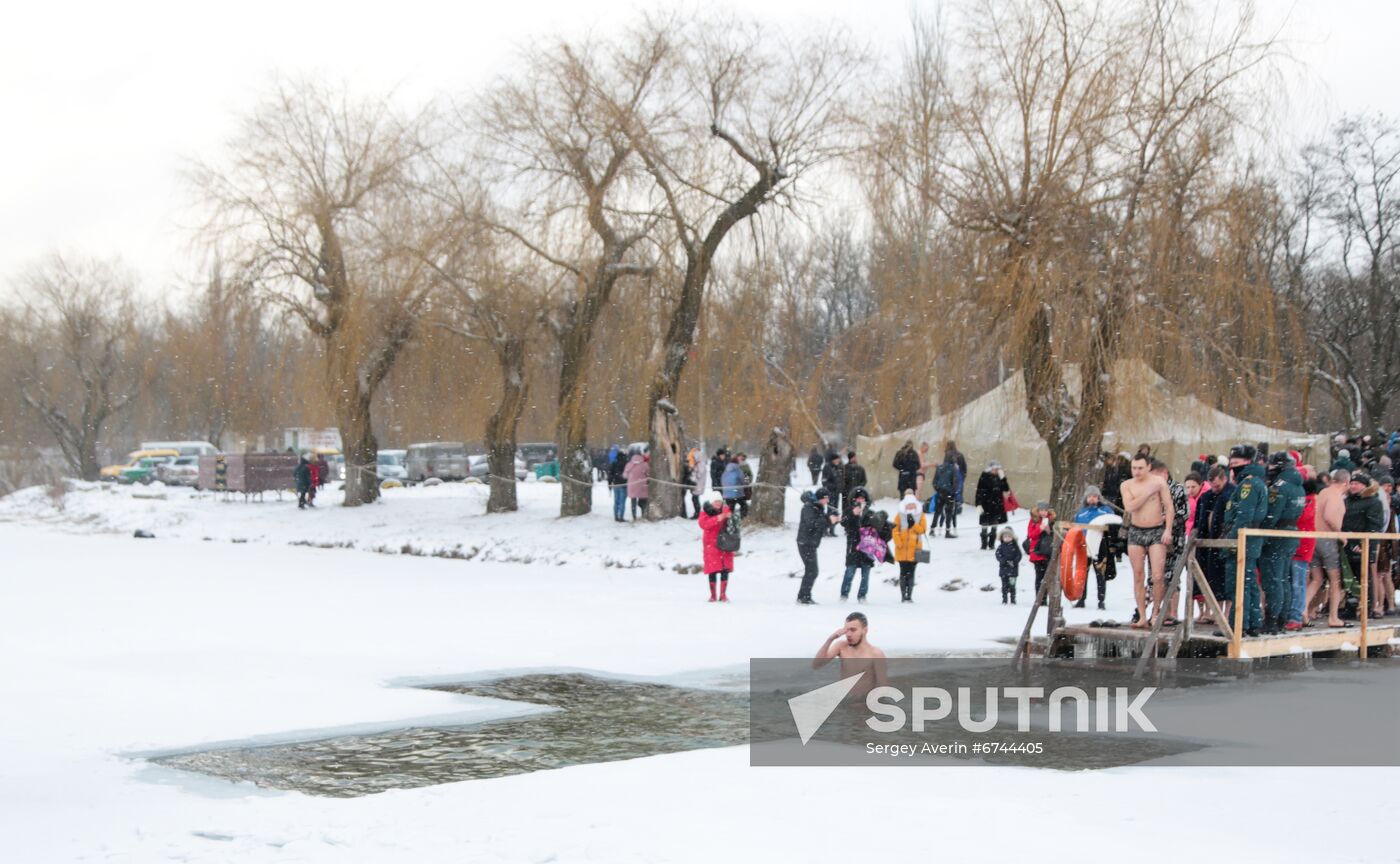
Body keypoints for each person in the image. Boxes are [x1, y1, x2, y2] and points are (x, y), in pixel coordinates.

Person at [1220, 444, 1269, 638]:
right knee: (1248, 583)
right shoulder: (1256, 481)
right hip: (1250, 539)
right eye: (1231, 464)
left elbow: (1244, 516)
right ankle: (1251, 623)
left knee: (1238, 583)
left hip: (1243, 540)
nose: (1233, 467)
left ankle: (1238, 624)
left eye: (1236, 463)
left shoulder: (1248, 484)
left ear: (1248, 462)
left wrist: (1231, 540)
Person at [1121, 454, 1174, 628]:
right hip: (1136, 530)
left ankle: (1156, 612)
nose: (1136, 472)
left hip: (1156, 529)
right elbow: (1129, 507)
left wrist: (1168, 529)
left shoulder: (1159, 482)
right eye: (1134, 468)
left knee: (1158, 576)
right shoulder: (1127, 485)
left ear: (1148, 467)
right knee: (1138, 575)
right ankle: (1142, 615)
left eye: (1140, 468)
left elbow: (1169, 507)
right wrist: (1147, 494)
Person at [1258, 451, 1305, 634]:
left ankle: (1272, 620)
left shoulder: (1279, 486)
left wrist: (1263, 533)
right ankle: (1281, 618)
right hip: (1291, 534)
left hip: (1277, 535)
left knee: (1273, 579)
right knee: (1284, 578)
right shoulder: (1298, 486)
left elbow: (1272, 515)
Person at [812, 612, 888, 699]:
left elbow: (883, 686)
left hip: (863, 702)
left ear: (865, 630)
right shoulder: (841, 646)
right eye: (846, 630)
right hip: (844, 700)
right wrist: (830, 640)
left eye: (853, 630)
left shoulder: (876, 654)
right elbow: (816, 665)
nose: (848, 634)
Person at [1308, 468, 1349, 627]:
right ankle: (1333, 617)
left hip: (1314, 538)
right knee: (1335, 580)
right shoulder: (1335, 495)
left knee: (1316, 579)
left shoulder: (1323, 492)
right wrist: (1340, 534)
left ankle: (1302, 611)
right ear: (1345, 483)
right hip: (1327, 539)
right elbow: (1330, 516)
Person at [1342, 471, 1385, 615]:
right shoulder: (1348, 500)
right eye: (1352, 483)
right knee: (1350, 577)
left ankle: (1368, 607)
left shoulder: (1373, 502)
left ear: (1364, 486)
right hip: (1347, 543)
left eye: (1357, 484)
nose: (1353, 486)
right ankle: (1352, 605)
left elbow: (1374, 525)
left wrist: (1364, 543)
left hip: (1363, 544)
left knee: (1365, 577)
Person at [1074, 486, 1116, 610]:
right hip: (1083, 545)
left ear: (1098, 498)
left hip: (1100, 544)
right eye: (1090, 496)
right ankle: (1081, 599)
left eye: (1095, 496)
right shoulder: (1081, 512)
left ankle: (1101, 600)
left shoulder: (1106, 511)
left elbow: (1114, 525)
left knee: (1100, 573)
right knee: (1082, 573)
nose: (1092, 499)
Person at [796, 487, 841, 604]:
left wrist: (833, 519)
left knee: (811, 570)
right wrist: (828, 520)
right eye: (826, 498)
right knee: (812, 571)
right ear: (821, 498)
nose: (828, 501)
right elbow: (812, 523)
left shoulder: (817, 507)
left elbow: (821, 524)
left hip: (810, 543)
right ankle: (803, 597)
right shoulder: (809, 507)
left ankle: (804, 595)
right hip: (805, 543)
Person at [840, 488, 885, 603]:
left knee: (866, 573)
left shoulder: (870, 512)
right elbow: (843, 523)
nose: (860, 500)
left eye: (863, 498)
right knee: (850, 571)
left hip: (867, 547)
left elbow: (877, 528)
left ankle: (862, 596)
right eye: (858, 498)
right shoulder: (848, 510)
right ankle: (844, 595)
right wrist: (852, 514)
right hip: (853, 546)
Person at [1289, 476, 1319, 631]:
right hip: (1296, 544)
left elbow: (1301, 517)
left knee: (1298, 583)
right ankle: (1295, 614)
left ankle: (1296, 616)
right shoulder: (1307, 499)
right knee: (1295, 582)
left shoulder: (1309, 500)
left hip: (1302, 546)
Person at [697, 490, 735, 602]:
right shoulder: (705, 512)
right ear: (711, 502)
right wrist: (718, 518)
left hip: (725, 544)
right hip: (711, 545)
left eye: (719, 501)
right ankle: (713, 595)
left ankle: (723, 595)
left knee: (725, 569)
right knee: (712, 570)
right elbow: (704, 524)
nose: (718, 503)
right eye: (715, 502)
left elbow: (733, 524)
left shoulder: (726, 510)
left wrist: (730, 517)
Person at [890, 492, 927, 602]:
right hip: (902, 550)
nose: (910, 506)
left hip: (915, 550)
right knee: (903, 573)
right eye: (908, 504)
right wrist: (899, 542)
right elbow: (895, 530)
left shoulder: (921, 515)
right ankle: (903, 596)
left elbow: (923, 530)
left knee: (911, 573)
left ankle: (909, 595)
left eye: (912, 504)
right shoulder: (899, 515)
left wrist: (914, 525)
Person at [974, 461, 1011, 550]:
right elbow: (979, 491)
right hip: (985, 504)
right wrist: (978, 504)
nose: (996, 470)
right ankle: (983, 544)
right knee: (984, 525)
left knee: (994, 525)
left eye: (997, 469)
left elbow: (1005, 489)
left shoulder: (1000, 477)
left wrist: (1003, 478)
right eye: (994, 469)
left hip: (997, 504)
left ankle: (991, 544)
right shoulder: (984, 476)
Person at [931, 453, 962, 539]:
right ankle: (947, 531)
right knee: (949, 513)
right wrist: (953, 492)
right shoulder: (953, 469)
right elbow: (955, 482)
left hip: (940, 492)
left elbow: (934, 481)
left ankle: (932, 529)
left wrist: (938, 489)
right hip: (949, 494)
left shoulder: (939, 467)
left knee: (937, 512)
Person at [996, 526, 1022, 605]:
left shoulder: (1015, 547)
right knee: (1004, 585)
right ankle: (1004, 599)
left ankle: (1013, 599)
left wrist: (1014, 562)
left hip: (1013, 570)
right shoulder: (1001, 547)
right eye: (1005, 537)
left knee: (1012, 585)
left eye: (1009, 536)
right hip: (1003, 570)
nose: (1007, 538)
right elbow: (998, 555)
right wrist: (1003, 561)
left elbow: (1019, 555)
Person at [821, 452, 845, 534]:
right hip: (830, 493)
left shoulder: (839, 467)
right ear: (832, 460)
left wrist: (841, 487)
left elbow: (841, 479)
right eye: (836, 459)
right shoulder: (827, 467)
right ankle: (825, 529)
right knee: (830, 511)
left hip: (837, 493)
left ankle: (832, 529)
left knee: (835, 511)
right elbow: (824, 481)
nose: (838, 460)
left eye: (838, 459)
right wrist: (832, 486)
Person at [623, 449, 650, 521]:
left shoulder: (629, 464)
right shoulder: (645, 464)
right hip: (642, 486)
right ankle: (643, 514)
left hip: (632, 486)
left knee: (633, 501)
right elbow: (648, 474)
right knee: (643, 501)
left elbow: (625, 475)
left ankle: (634, 516)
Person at [721, 454, 747, 518]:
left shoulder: (726, 470)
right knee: (744, 505)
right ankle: (743, 518)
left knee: (730, 508)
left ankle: (730, 521)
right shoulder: (738, 469)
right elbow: (742, 480)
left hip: (727, 493)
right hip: (737, 492)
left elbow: (722, 480)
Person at [607, 449, 629, 522]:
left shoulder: (614, 463)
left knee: (616, 501)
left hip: (616, 484)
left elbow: (610, 475)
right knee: (622, 502)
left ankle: (616, 516)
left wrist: (609, 485)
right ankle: (621, 517)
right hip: (623, 484)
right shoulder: (626, 463)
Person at [686, 446, 706, 520]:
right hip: (697, 484)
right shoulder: (699, 463)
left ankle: (697, 514)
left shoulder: (701, 463)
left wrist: (693, 469)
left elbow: (699, 473)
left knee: (695, 498)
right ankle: (697, 513)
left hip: (699, 484)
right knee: (694, 498)